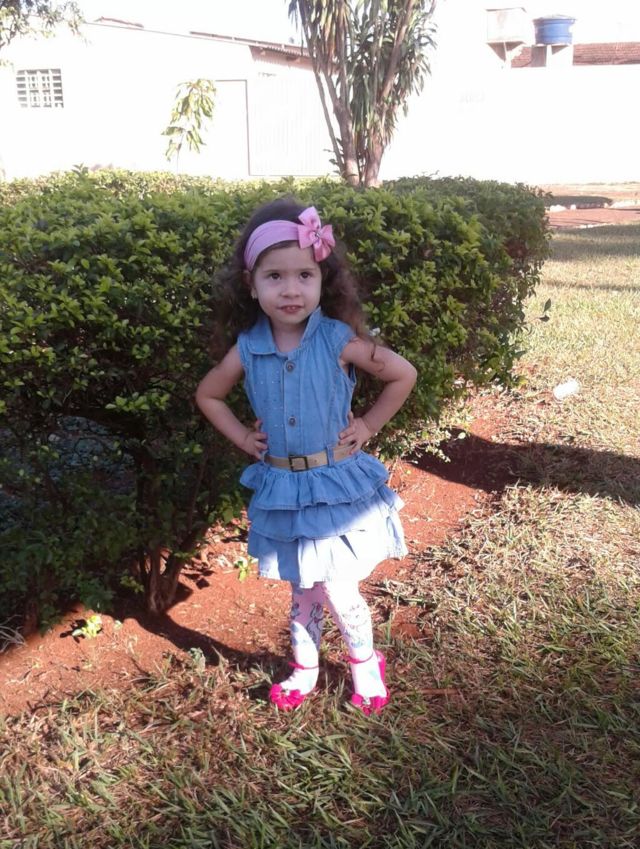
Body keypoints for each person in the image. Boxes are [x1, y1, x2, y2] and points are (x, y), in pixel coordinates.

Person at [196, 198, 417, 715]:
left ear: (322, 280)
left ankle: (365, 665)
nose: (291, 289)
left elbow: (402, 374)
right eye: (274, 276)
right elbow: (209, 394)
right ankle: (305, 668)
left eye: (304, 275)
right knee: (303, 590)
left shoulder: (338, 340)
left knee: (338, 587)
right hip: (285, 491)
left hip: (334, 487)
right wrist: (243, 438)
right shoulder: (248, 348)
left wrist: (368, 425)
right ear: (252, 285)